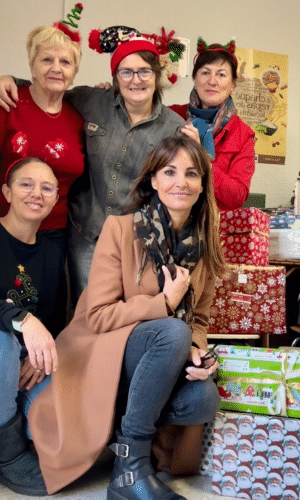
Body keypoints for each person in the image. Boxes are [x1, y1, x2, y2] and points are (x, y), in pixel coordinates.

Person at [26, 136, 225, 500]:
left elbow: (199, 319)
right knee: (171, 332)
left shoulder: (205, 245)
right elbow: (98, 316)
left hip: (160, 357)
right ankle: (129, 470)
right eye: (170, 171)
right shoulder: (120, 229)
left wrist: (198, 353)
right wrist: (164, 303)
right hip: (105, 355)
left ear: (202, 185)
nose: (181, 181)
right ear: (153, 180)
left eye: (191, 174)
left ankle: (129, 434)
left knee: (202, 397)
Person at [0, 25, 189, 304]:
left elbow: (185, 186)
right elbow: (49, 86)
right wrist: (8, 79)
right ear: (115, 78)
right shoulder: (92, 101)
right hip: (84, 233)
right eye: (126, 72)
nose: (135, 80)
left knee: (128, 312)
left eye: (144, 71)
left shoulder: (176, 129)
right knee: (85, 314)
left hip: (136, 239)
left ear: (157, 75)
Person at [0, 157, 66, 496]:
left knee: (66, 424)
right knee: (2, 342)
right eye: (26, 184)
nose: (36, 193)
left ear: (56, 198)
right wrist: (21, 319)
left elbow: (54, 321)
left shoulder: (53, 255)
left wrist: (39, 359)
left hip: (25, 365)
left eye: (47, 187)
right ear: (7, 192)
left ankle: (18, 429)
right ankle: (8, 456)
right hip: (2, 351)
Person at [0, 22, 85, 257]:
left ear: (74, 72)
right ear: (32, 67)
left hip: (55, 236)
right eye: (47, 60)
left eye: (65, 62)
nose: (56, 68)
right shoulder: (8, 105)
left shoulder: (78, 120)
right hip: (6, 228)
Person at [171, 37, 256, 211]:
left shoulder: (242, 134)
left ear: (233, 84)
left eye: (221, 74)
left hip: (214, 229)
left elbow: (237, 196)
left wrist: (200, 157)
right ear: (195, 79)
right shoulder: (171, 116)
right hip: (168, 223)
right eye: (205, 72)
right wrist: (105, 95)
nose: (212, 81)